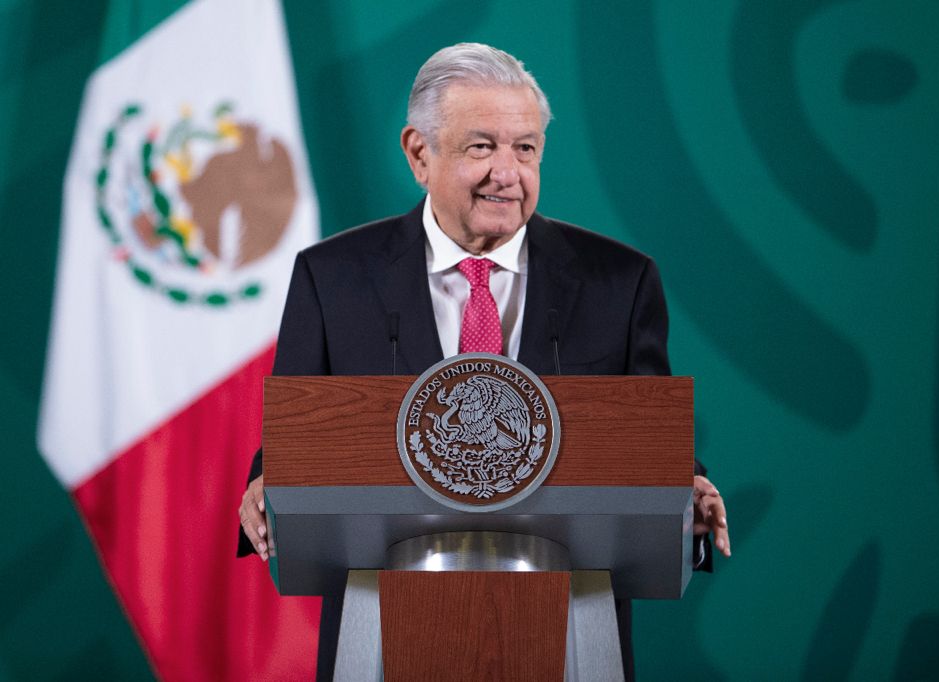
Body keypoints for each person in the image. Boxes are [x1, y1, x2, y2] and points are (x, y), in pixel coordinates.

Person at [239, 42, 730, 680]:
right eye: (481, 147)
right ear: (419, 153)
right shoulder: (332, 278)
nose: (507, 173)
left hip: (571, 627)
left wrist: (684, 483)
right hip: (382, 623)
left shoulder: (619, 281)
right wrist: (267, 480)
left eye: (525, 148)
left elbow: (642, 432)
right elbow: (299, 437)